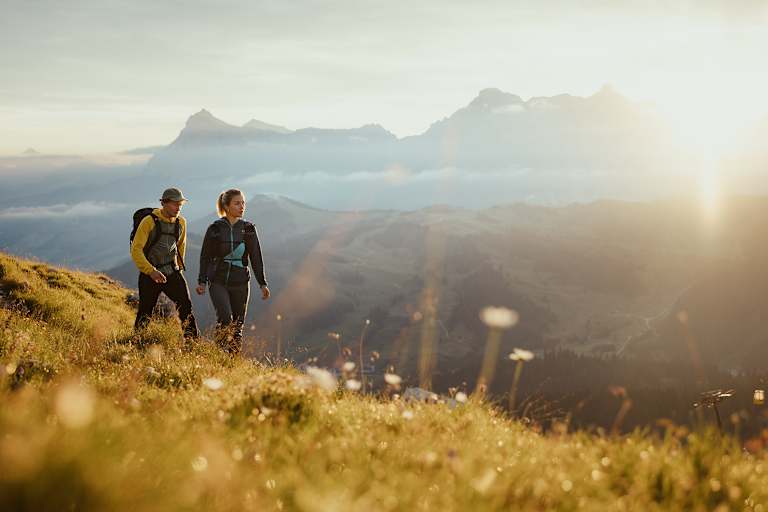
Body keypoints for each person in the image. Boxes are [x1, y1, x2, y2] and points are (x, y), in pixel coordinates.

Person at [196, 189, 270, 354]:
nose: (242, 206)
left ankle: (232, 360)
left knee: (237, 325)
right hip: (218, 281)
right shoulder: (215, 229)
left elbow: (256, 258)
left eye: (243, 202)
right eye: (237, 203)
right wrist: (202, 281)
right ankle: (219, 354)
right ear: (226, 206)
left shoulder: (249, 229)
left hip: (241, 282)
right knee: (225, 318)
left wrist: (262, 284)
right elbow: (205, 257)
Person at [131, 187, 199, 339]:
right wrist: (150, 271)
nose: (178, 208)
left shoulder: (181, 222)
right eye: (175, 204)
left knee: (186, 307)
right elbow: (136, 250)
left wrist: (179, 270)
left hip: (172, 273)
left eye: (180, 204)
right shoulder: (149, 222)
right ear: (164, 203)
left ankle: (193, 343)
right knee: (146, 310)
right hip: (150, 274)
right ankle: (136, 341)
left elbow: (180, 246)